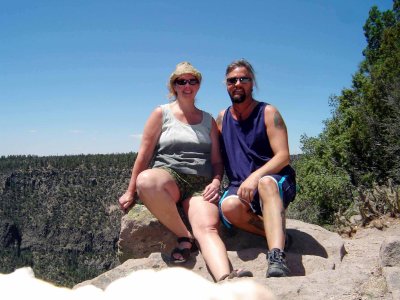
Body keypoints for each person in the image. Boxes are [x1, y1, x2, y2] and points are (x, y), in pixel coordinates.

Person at [118, 62, 242, 282]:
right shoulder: (161, 113)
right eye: (181, 81)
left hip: (201, 182)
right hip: (169, 177)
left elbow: (216, 161)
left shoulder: (208, 121)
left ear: (198, 85)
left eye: (192, 81)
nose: (187, 85)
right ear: (173, 86)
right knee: (146, 181)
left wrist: (215, 182)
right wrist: (130, 191)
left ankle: (226, 280)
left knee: (207, 229)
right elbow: (144, 155)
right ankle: (184, 236)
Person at [216, 59, 297, 277]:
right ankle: (277, 233)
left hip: (274, 179)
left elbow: (283, 156)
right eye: (232, 80)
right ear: (226, 85)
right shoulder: (222, 118)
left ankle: (277, 255)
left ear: (252, 83)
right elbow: (216, 158)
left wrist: (255, 177)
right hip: (240, 185)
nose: (238, 84)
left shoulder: (268, 112)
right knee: (229, 207)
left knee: (265, 183)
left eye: (244, 79)